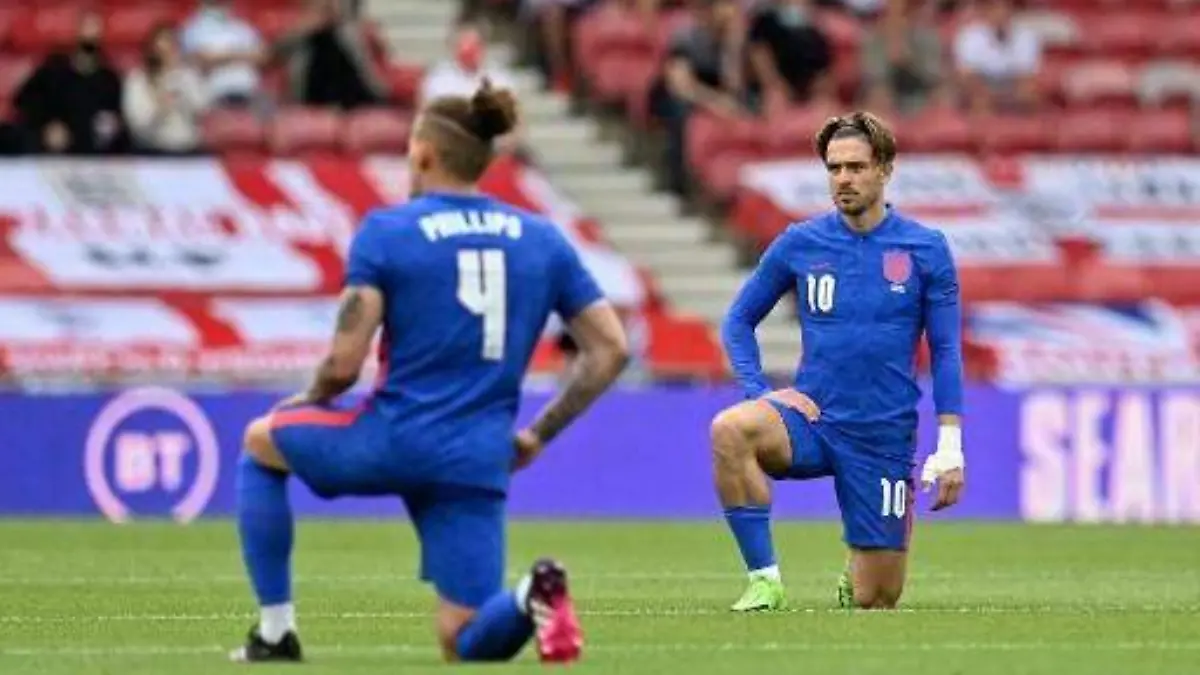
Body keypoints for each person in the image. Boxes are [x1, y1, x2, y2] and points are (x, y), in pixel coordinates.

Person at [229, 79, 630, 663]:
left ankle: (273, 634)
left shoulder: (388, 231)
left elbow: (343, 365)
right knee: (464, 636)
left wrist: (305, 399)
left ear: (422, 153)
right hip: (477, 454)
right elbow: (611, 348)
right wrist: (539, 434)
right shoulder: (541, 238)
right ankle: (530, 595)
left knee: (260, 442)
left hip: (393, 436)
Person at [711, 111, 966, 611]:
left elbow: (946, 349)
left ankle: (861, 569)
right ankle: (765, 581)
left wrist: (951, 443)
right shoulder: (800, 243)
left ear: (885, 169)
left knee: (878, 599)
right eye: (834, 168)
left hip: (882, 434)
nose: (843, 179)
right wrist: (758, 390)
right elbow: (737, 320)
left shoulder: (925, 248)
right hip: (812, 419)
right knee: (729, 429)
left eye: (855, 166)